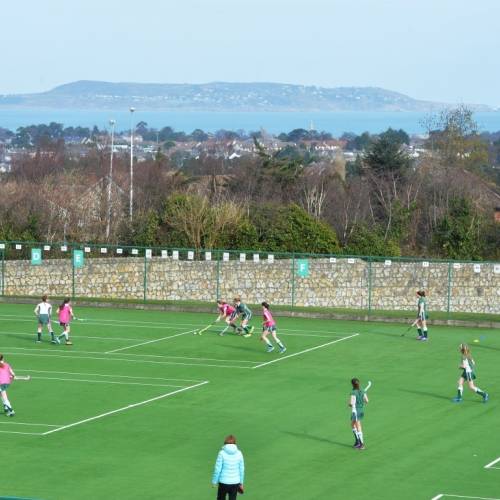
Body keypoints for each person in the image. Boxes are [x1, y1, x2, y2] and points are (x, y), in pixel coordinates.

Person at [211, 435, 245, 500]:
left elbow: (217, 469)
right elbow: (242, 469)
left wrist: (214, 481)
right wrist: (241, 483)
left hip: (223, 482)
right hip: (235, 483)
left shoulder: (221, 453)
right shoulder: (239, 453)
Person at [349, 378, 368, 450]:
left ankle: (362, 444)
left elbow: (351, 403)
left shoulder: (353, 392)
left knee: (358, 425)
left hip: (356, 411)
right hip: (361, 410)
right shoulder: (363, 391)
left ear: (352, 384)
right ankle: (357, 441)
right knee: (352, 424)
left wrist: (349, 404)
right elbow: (367, 401)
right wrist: (361, 399)